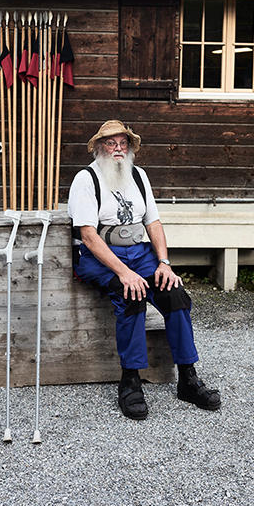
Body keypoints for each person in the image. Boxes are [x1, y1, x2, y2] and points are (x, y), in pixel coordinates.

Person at [68, 120, 221, 420]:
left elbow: (153, 223)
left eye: (123, 143)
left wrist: (164, 263)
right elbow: (88, 235)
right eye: (111, 143)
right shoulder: (85, 179)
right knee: (132, 294)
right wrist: (124, 272)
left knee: (174, 293)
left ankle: (188, 378)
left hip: (140, 254)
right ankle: (130, 381)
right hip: (100, 255)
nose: (118, 149)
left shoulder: (138, 176)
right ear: (99, 147)